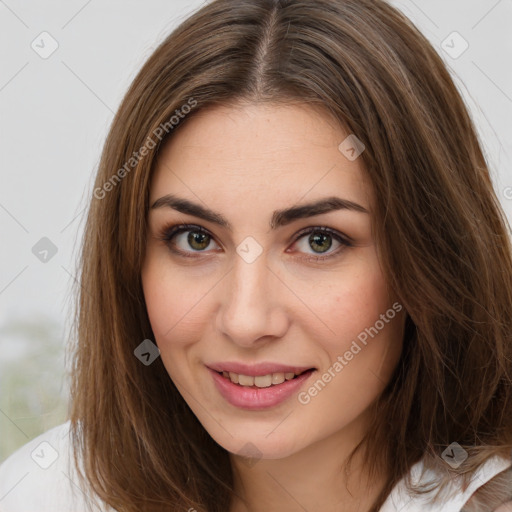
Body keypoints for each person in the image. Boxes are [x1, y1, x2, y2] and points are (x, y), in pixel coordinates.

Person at [1, 0, 512, 511]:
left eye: (319, 241)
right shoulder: (40, 494)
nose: (246, 321)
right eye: (194, 239)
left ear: (434, 256)